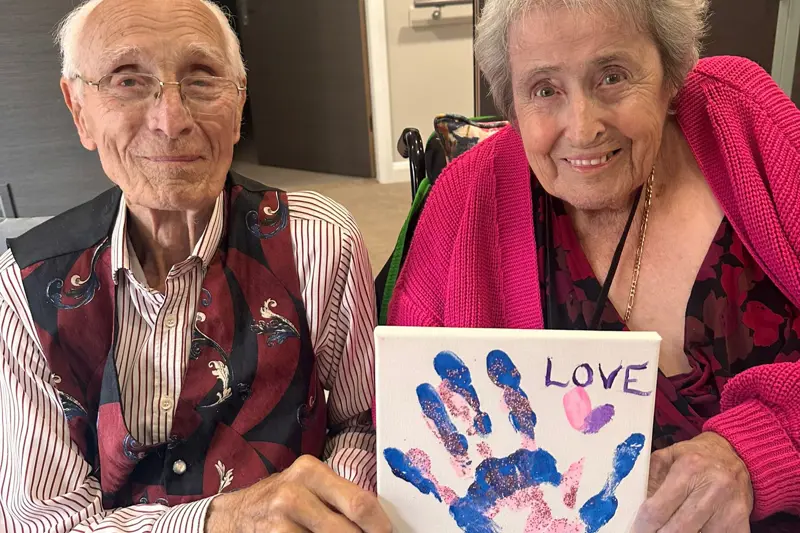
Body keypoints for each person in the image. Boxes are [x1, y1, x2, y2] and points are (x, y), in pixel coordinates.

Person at [389, 0, 800, 531]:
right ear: (511, 102)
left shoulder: (749, 127)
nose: (583, 129)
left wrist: (755, 452)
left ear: (671, 72)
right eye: (544, 89)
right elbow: (409, 432)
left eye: (612, 76)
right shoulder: (463, 204)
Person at [0, 0, 391, 532]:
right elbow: (47, 520)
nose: (172, 121)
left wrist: (324, 514)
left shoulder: (318, 241)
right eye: (127, 81)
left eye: (202, 79)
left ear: (239, 103)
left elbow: (365, 426)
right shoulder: (25, 288)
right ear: (80, 111)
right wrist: (221, 521)